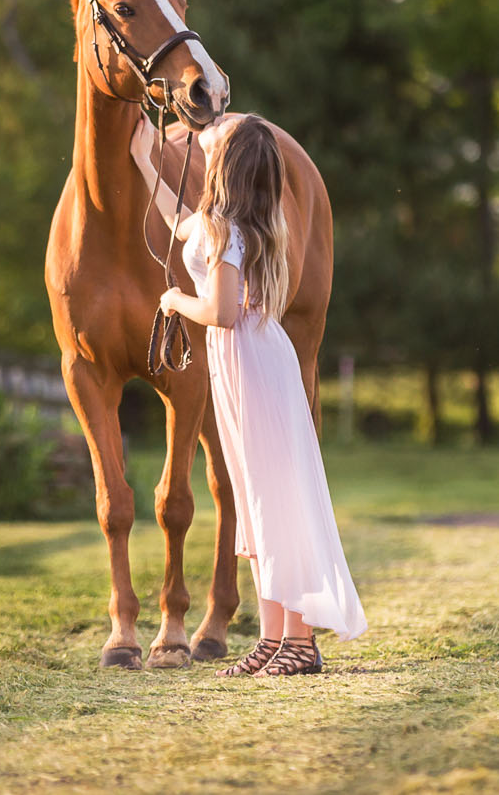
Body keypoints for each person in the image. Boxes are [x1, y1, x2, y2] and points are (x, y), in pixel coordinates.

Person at [131, 112, 366, 677]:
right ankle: (271, 637)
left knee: (274, 499)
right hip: (245, 368)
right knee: (256, 504)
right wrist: (144, 159)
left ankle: (301, 642)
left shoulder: (231, 233)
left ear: (227, 168)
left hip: (252, 367)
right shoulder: (227, 224)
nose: (208, 144)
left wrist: (174, 304)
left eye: (218, 145)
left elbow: (222, 311)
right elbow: (178, 220)